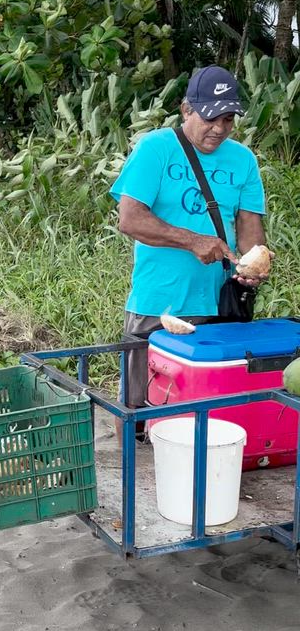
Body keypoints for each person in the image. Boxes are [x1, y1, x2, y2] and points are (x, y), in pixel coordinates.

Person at [110, 64, 270, 420]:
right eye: (211, 118)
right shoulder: (156, 149)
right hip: (158, 303)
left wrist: (253, 265)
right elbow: (130, 218)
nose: (220, 129)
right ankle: (133, 473)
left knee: (208, 413)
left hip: (220, 307)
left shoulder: (243, 160)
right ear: (186, 109)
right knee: (137, 410)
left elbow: (250, 231)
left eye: (228, 119)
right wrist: (193, 241)